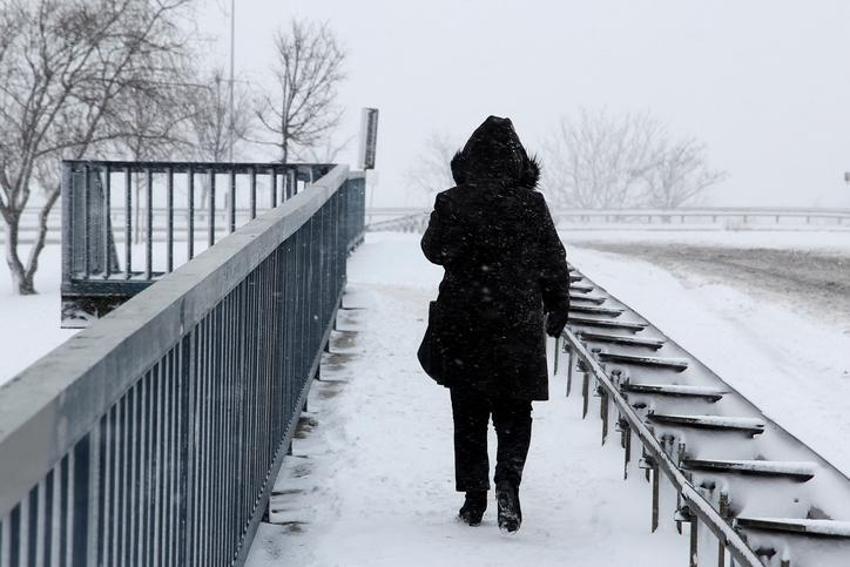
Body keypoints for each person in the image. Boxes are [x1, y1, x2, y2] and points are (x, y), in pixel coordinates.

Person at [420, 115, 571, 533]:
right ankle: (508, 482)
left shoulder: (451, 201)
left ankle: (474, 499)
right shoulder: (531, 204)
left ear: (468, 161)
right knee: (514, 409)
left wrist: (465, 240)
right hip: (517, 322)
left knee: (468, 411)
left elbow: (433, 251)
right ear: (519, 163)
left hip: (465, 321)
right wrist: (558, 305)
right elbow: (552, 258)